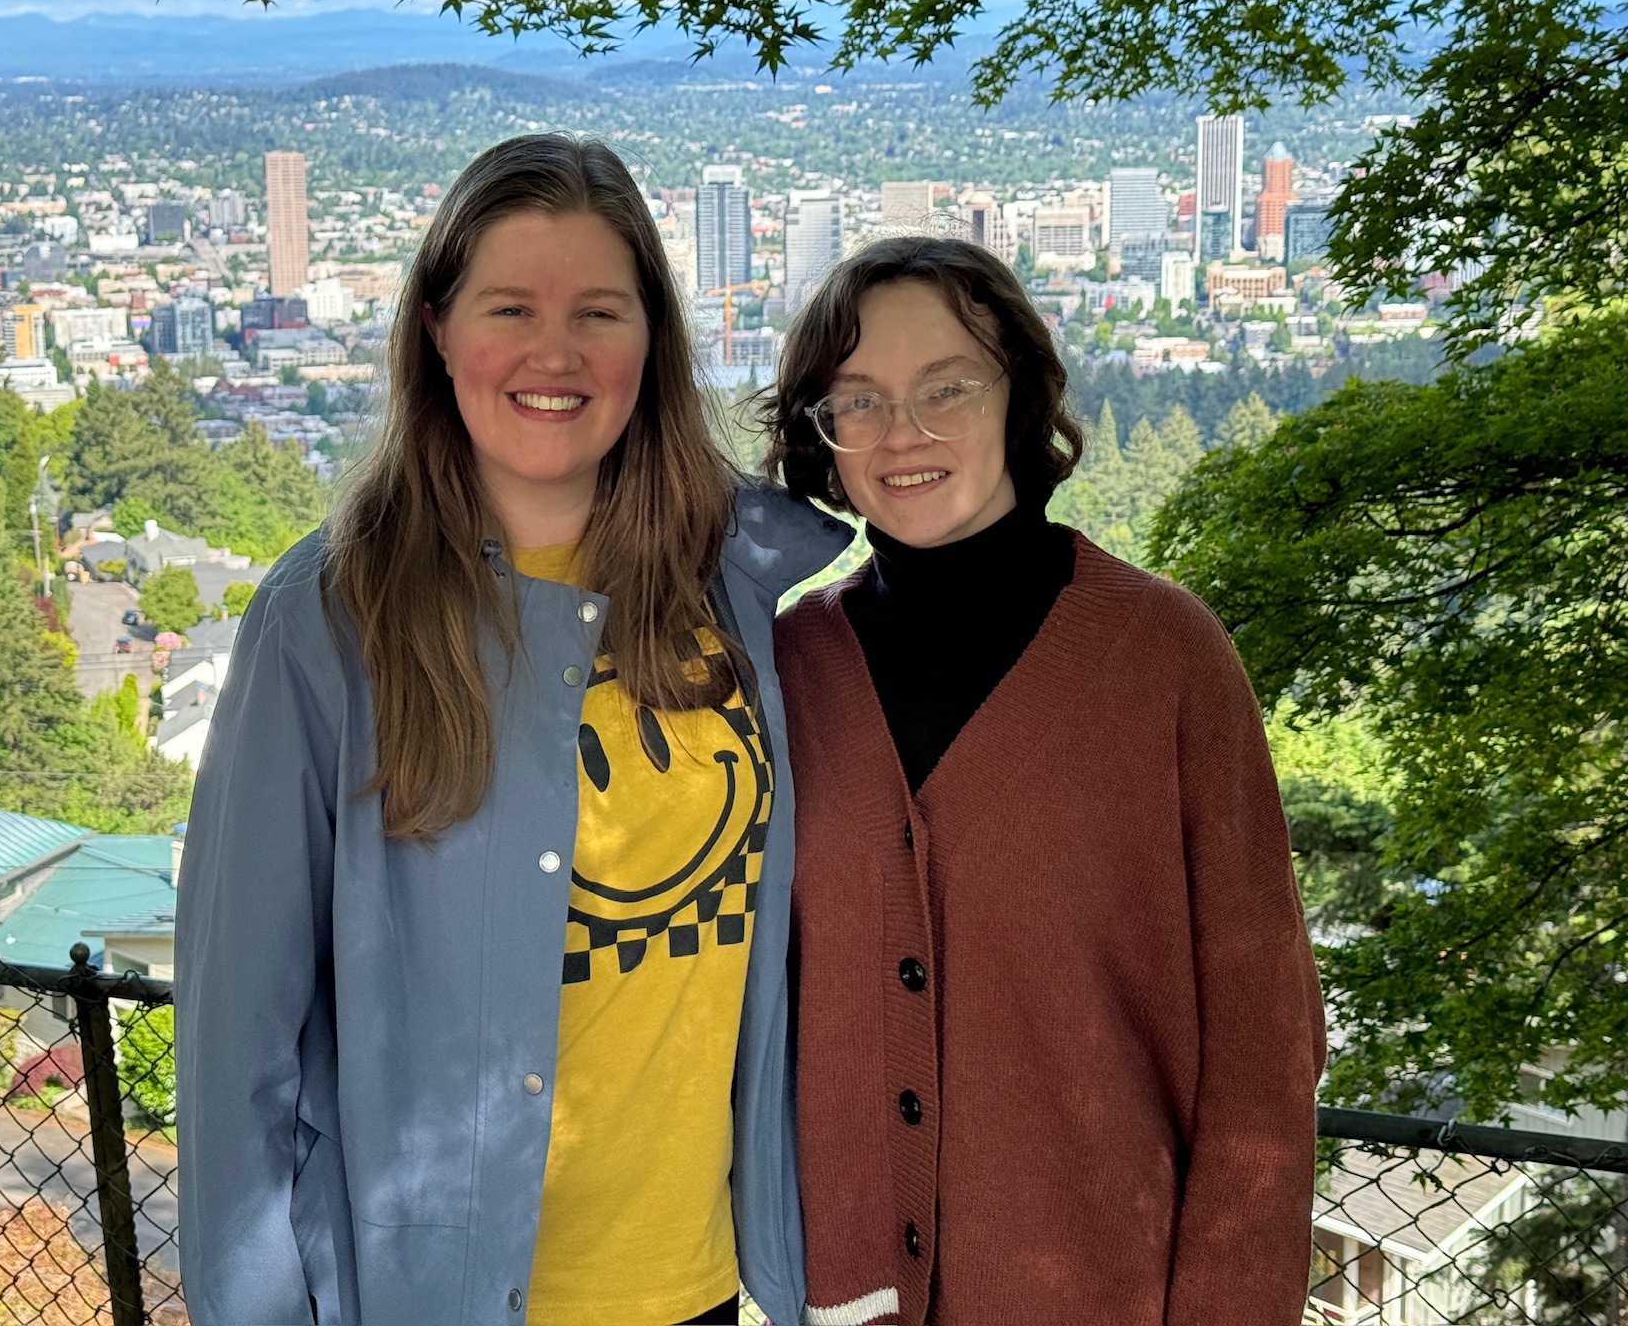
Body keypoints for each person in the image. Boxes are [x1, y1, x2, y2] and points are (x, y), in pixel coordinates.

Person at [175, 134, 851, 1325]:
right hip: (445, 1299)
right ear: (436, 329)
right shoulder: (327, 622)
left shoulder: (728, 577)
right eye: (509, 307)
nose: (555, 353)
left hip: (696, 1287)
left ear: (652, 339)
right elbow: (239, 1046)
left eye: (600, 310)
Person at [761, 236, 1325, 1326]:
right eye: (857, 401)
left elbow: (1264, 1041)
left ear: (1019, 394)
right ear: (821, 438)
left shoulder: (1161, 657)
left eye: (944, 389)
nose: (901, 434)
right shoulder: (787, 668)